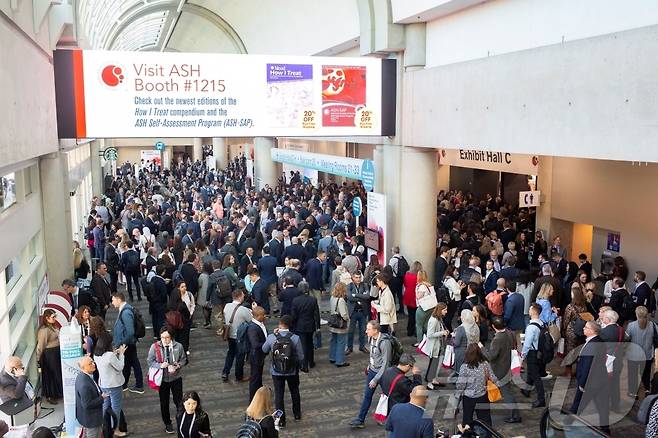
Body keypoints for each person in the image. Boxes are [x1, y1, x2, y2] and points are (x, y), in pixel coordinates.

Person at [261, 315, 304, 428]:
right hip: (292, 370)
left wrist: (273, 336)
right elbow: (301, 356)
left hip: (276, 371)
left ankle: (281, 420)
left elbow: (264, 349)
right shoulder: (295, 338)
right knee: (294, 391)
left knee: (279, 395)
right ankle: (297, 414)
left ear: (280, 323)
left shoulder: (272, 337)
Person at [350, 320, 392, 429]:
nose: (366, 331)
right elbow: (373, 354)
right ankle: (360, 419)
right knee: (367, 396)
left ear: (375, 330)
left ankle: (388, 419)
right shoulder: (371, 338)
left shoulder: (384, 343)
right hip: (372, 371)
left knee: (387, 397)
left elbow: (385, 363)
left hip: (383, 374)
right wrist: (369, 366)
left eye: (368, 329)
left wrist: (376, 379)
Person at [569, 321, 610, 432]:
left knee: (578, 402)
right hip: (599, 379)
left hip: (590, 381)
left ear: (592, 331)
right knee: (601, 406)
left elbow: (587, 366)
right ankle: (605, 429)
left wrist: (582, 383)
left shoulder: (592, 345)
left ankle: (568, 422)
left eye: (586, 327)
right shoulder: (598, 341)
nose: (583, 329)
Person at [147, 326, 188, 434]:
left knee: (179, 401)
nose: (164, 340)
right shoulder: (154, 347)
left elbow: (184, 359)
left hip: (176, 378)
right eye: (162, 337)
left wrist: (178, 365)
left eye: (167, 337)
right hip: (162, 380)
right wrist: (160, 365)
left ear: (171, 337)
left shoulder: (178, 346)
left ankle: (180, 420)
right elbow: (150, 361)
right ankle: (168, 423)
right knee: (164, 403)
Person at [456, 343, 500, 431]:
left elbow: (460, 385)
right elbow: (494, 378)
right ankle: (487, 435)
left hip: (468, 398)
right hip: (483, 396)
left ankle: (468, 435)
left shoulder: (464, 367)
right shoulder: (485, 364)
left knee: (467, 419)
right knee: (485, 420)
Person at [93, 334, 128, 437]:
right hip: (114, 385)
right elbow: (120, 366)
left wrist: (115, 353)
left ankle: (104, 426)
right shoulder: (110, 356)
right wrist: (121, 354)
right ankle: (115, 428)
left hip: (103, 384)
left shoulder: (96, 354)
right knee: (116, 407)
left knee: (105, 406)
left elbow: (108, 361)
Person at [487, 317, 521, 423]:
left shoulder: (497, 339)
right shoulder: (510, 333)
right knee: (508, 391)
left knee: (507, 394)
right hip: (508, 366)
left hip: (500, 370)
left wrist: (482, 349)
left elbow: (491, 356)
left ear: (493, 326)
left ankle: (515, 416)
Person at [111, 292, 144, 393]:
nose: (112, 303)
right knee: (129, 363)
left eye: (113, 300)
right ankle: (127, 385)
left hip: (127, 344)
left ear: (118, 300)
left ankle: (137, 385)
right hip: (128, 343)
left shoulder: (125, 313)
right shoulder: (127, 310)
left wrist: (121, 343)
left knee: (132, 363)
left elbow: (130, 332)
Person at [599, 309, 627, 412]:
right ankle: (615, 406)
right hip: (618, 360)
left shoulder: (605, 331)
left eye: (604, 317)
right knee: (615, 385)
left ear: (608, 319)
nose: (603, 318)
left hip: (607, 361)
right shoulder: (621, 329)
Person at [222, 289, 252, 382]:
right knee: (240, 356)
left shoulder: (227, 306)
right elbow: (251, 320)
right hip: (240, 336)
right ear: (240, 297)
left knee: (230, 353)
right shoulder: (244, 310)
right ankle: (239, 376)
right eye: (243, 295)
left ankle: (225, 372)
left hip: (229, 334)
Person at [290, 281, 320, 371]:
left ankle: (304, 365)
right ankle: (311, 362)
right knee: (310, 344)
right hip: (310, 325)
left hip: (300, 325)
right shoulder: (313, 299)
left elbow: (293, 316)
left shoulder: (295, 300)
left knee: (303, 345)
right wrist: (317, 326)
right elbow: (316, 314)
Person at [75, 356, 108, 438]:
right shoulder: (85, 385)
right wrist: (102, 398)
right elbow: (87, 404)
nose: (94, 364)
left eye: (93, 362)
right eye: (90, 364)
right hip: (92, 420)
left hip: (86, 418)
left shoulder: (81, 376)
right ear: (83, 367)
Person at [520, 303, 546, 407]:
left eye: (530, 309)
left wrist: (522, 356)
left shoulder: (531, 327)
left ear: (534, 311)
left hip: (532, 353)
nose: (529, 310)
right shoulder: (541, 323)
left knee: (536, 376)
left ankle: (541, 399)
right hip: (539, 351)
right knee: (531, 371)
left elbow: (527, 343)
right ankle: (527, 389)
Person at [36, 309, 63, 404]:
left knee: (56, 373)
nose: (55, 319)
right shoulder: (44, 330)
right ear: (47, 318)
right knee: (51, 374)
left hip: (55, 353)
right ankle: (50, 395)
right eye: (53, 317)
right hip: (49, 354)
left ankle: (57, 393)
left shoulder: (52, 327)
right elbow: (41, 346)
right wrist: (38, 359)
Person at [627, 306, 654, 398]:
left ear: (636, 315)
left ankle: (633, 392)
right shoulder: (653, 325)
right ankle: (647, 389)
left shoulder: (631, 325)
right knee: (646, 373)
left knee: (633, 374)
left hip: (633, 355)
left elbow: (627, 338)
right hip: (647, 355)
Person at [561, 284, 588, 375]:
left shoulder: (570, 307)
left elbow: (566, 320)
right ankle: (578, 370)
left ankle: (568, 372)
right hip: (580, 331)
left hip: (571, 331)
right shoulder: (584, 306)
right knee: (578, 350)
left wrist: (563, 331)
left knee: (570, 351)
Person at [425, 303, 449, 389]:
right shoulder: (434, 320)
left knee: (434, 364)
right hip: (434, 346)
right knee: (433, 364)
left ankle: (433, 380)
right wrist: (442, 333)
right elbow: (430, 334)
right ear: (440, 310)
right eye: (444, 310)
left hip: (437, 345)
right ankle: (429, 383)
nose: (446, 312)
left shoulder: (437, 318)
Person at [346, 271, 371, 355]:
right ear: (353, 278)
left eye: (359, 277)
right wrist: (361, 296)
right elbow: (349, 297)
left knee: (363, 330)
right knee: (351, 331)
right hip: (353, 312)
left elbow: (367, 296)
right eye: (356, 277)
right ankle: (349, 347)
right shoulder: (349, 286)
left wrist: (355, 295)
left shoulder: (365, 285)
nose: (358, 279)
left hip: (362, 311)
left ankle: (362, 346)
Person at [247, 306, 268, 401]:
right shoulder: (253, 328)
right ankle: (252, 400)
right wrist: (267, 343)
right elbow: (255, 344)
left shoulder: (260, 324)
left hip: (260, 356)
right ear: (258, 316)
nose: (265, 316)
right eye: (263, 315)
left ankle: (259, 395)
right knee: (255, 379)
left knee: (258, 377)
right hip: (256, 356)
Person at [328, 282, 350, 367]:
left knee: (333, 340)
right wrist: (347, 319)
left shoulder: (332, 298)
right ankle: (340, 361)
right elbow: (343, 314)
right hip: (340, 324)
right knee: (341, 342)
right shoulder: (341, 300)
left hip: (333, 322)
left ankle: (332, 357)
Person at [453, 309, 480, 375]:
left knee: (460, 370)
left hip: (462, 352)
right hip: (473, 351)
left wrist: (453, 337)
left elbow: (456, 343)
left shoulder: (461, 328)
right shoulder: (476, 326)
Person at [168, 281, 193, 354]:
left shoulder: (170, 305)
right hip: (183, 323)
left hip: (173, 323)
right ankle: (184, 350)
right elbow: (187, 314)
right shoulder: (182, 305)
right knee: (184, 337)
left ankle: (176, 350)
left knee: (176, 337)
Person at [414, 269, 435, 346]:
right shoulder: (429, 284)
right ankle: (428, 339)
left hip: (423, 308)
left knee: (419, 325)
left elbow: (418, 297)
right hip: (431, 307)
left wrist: (416, 290)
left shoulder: (421, 286)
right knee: (426, 324)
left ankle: (420, 342)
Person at [403, 261, 422, 337]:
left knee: (411, 315)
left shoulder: (407, 274)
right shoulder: (418, 276)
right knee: (416, 316)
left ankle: (409, 330)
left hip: (408, 295)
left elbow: (405, 284)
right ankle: (415, 331)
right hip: (415, 296)